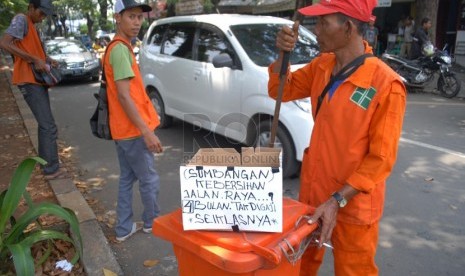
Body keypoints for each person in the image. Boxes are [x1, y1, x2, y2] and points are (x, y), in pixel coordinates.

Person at [268, 0, 406, 275]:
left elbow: (380, 160)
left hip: (352, 205)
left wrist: (336, 201)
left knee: (354, 271)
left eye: (322, 23)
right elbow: (281, 91)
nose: (315, 30)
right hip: (313, 194)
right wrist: (283, 55)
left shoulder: (385, 84)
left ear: (348, 27)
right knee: (299, 264)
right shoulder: (322, 65)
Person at [105, 0, 163, 242]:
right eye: (131, 16)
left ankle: (123, 228)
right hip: (132, 131)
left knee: (128, 178)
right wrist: (146, 132)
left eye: (139, 17)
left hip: (123, 129)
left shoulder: (121, 47)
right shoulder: (119, 49)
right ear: (118, 17)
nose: (137, 22)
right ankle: (153, 223)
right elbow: (124, 95)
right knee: (149, 179)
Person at [0, 0, 67, 180]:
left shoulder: (32, 25)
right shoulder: (21, 19)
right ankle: (51, 169)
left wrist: (46, 59)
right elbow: (5, 43)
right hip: (28, 80)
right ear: (31, 7)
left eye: (45, 15)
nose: (43, 17)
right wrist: (33, 59)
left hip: (35, 80)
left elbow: (30, 50)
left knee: (46, 125)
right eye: (41, 13)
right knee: (48, 126)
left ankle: (49, 165)